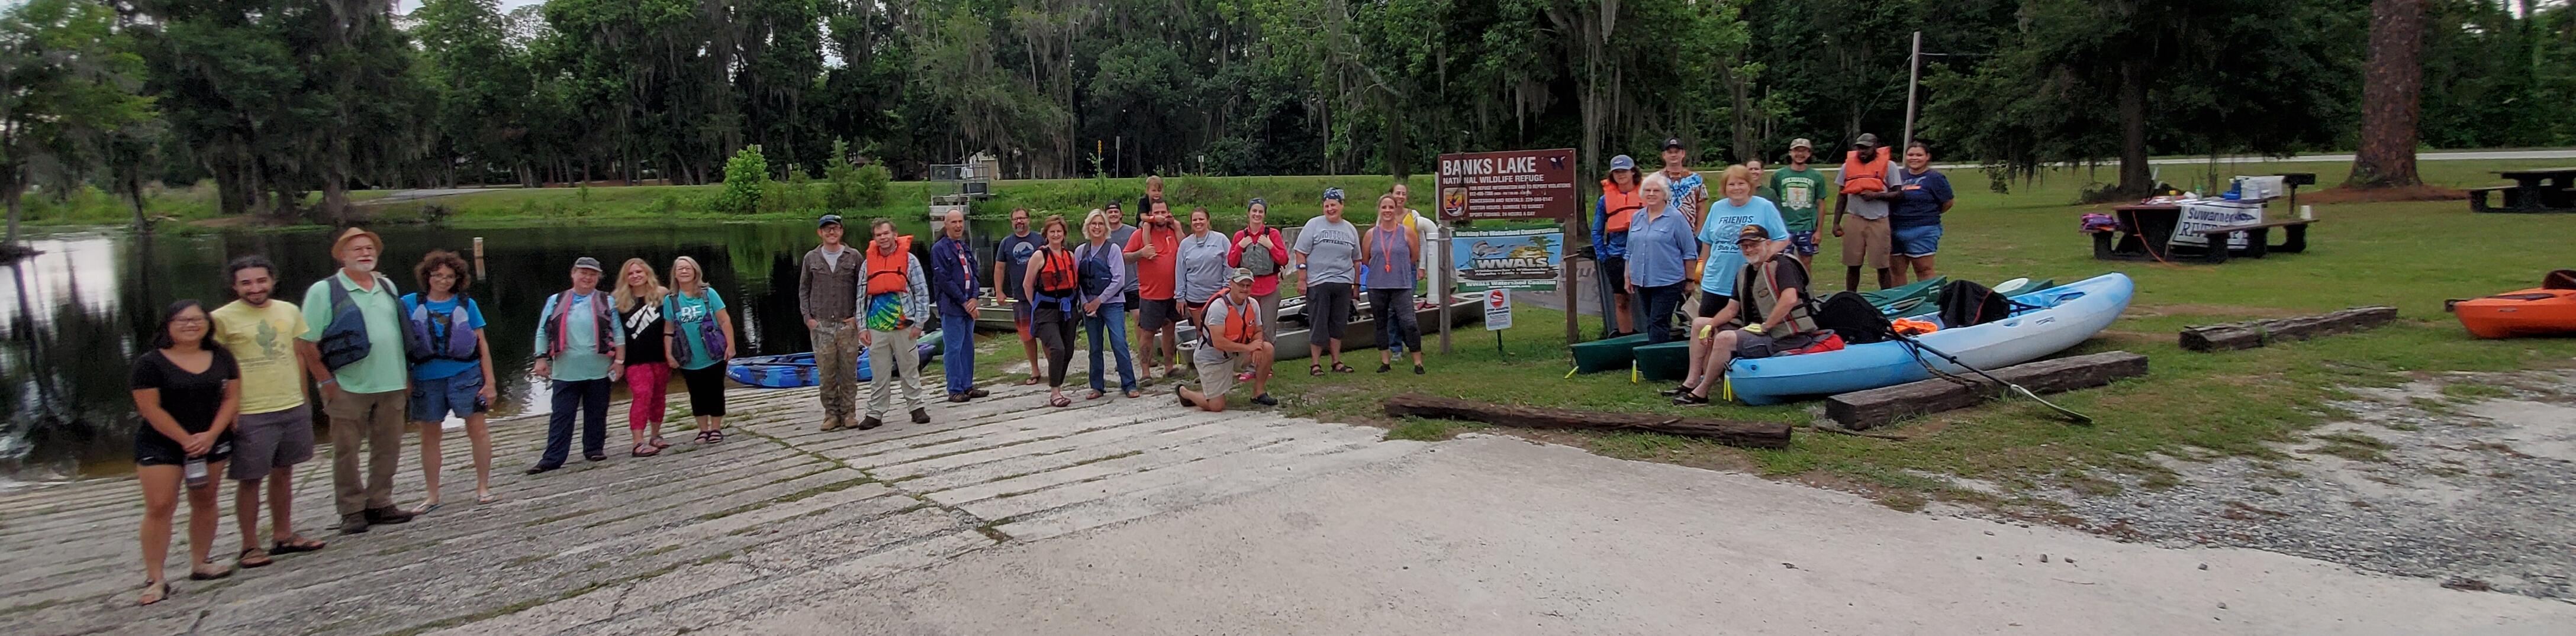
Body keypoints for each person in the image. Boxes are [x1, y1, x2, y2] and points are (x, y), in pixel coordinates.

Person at [208, 257, 327, 571]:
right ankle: (249, 545)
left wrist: (304, 398)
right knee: (250, 478)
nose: (255, 288)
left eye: (261, 281)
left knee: (285, 471)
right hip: (249, 410)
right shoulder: (220, 320)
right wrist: (225, 412)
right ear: (234, 286)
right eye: (246, 283)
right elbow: (213, 369)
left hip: (289, 404)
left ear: (272, 281)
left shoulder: (289, 311)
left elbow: (299, 354)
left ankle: (283, 535)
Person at [295, 227, 414, 534]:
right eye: (357, 249)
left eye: (370, 249)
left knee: (388, 446)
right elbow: (307, 342)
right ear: (342, 256)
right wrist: (325, 381)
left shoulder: (387, 285)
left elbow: (399, 333)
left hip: (391, 382)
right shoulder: (325, 290)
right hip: (347, 385)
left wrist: (406, 376)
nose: (365, 253)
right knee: (346, 450)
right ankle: (351, 509)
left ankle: (380, 502)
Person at [130, 300, 241, 604]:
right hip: (162, 442)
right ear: (167, 325)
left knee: (205, 500)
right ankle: (156, 578)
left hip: (211, 440)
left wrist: (212, 434)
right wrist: (185, 439)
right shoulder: (150, 363)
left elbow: (232, 397)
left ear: (207, 323)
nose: (190, 325)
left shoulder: (221, 356)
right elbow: (149, 408)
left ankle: (201, 563)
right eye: (181, 320)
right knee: (160, 506)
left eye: (196, 319)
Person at [1675, 225, 1821, 405]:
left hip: (1785, 334)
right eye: (1745, 246)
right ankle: (1691, 382)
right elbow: (1731, 310)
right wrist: (1711, 325)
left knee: (1725, 338)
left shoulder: (1783, 265)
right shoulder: (1744, 271)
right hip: (1753, 329)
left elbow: (1789, 299)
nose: (1749, 250)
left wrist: (1766, 326)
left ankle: (1702, 392)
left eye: (1754, 245)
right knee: (1700, 324)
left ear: (1768, 243)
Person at [398, 250, 496, 514]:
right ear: (427, 276)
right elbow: (400, 345)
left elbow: (481, 344)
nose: (443, 281)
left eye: (449, 276)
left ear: (458, 279)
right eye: (437, 275)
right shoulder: (408, 304)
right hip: (425, 378)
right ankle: (432, 495)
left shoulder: (467, 305)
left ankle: (483, 487)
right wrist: (405, 380)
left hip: (466, 376)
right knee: (430, 436)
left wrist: (490, 383)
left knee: (478, 430)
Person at [1679, 166, 1789, 393]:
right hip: (1716, 279)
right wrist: (1702, 266)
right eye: (1731, 184)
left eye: (1741, 183)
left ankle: (1726, 374)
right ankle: (1701, 376)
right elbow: (1708, 240)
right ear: (1724, 188)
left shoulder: (1764, 207)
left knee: (1734, 327)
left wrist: (1761, 260)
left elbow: (1782, 239)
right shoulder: (1718, 208)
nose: (1737, 188)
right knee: (1707, 329)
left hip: (1747, 282)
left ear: (1750, 185)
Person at [528, 257, 626, 473]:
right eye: (583, 273)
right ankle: (553, 457)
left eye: (592, 275)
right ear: (573, 274)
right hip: (566, 369)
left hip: (598, 367)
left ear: (598, 278)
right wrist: (541, 358)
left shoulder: (606, 301)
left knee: (597, 411)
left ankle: (594, 449)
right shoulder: (556, 300)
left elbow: (618, 332)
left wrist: (619, 361)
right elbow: (543, 330)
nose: (587, 278)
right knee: (562, 414)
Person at [857, 218, 931, 430]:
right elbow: (860, 297)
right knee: (879, 373)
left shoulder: (910, 260)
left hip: (904, 324)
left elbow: (922, 292)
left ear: (895, 235)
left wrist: (920, 322)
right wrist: (862, 327)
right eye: (878, 235)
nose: (883, 238)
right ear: (874, 238)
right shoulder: (867, 264)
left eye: (886, 234)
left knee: (909, 368)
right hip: (876, 325)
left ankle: (917, 408)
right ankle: (875, 413)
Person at [798, 214, 864, 432]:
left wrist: (858, 316)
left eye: (835, 229)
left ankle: (849, 413)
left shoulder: (853, 256)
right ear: (820, 233)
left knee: (848, 372)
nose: (831, 233)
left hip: (848, 324)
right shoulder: (811, 258)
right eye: (827, 230)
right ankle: (831, 415)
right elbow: (804, 289)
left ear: (841, 231)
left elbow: (863, 288)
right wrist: (809, 318)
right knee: (826, 373)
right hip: (822, 326)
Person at [1177, 269, 1276, 412]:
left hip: (1236, 353)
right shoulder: (1219, 307)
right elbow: (1219, 342)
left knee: (1267, 348)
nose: (1245, 289)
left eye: (1248, 285)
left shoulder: (1253, 304)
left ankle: (1258, 393)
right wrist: (1249, 348)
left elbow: (1258, 331)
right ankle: (1184, 392)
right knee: (1216, 406)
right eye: (1241, 285)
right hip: (1212, 358)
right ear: (1231, 284)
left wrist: (1257, 347)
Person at [662, 256, 735, 445]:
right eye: (680, 269)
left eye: (688, 268)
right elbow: (669, 329)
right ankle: (703, 430)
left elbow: (724, 320)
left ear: (696, 272)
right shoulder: (671, 300)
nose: (684, 272)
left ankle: (716, 429)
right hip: (688, 356)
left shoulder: (708, 294)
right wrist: (669, 354)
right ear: (675, 274)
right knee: (696, 393)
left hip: (713, 353)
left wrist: (731, 346)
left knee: (716, 391)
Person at [1295, 187, 1364, 375]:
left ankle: (1336, 361)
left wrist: (1356, 286)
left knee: (1338, 323)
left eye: (1334, 205)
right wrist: (1302, 278)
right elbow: (1300, 252)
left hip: (1343, 283)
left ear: (1342, 206)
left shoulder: (1350, 229)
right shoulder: (1313, 225)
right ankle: (1315, 364)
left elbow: (1357, 260)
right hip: (1318, 282)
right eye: (1327, 205)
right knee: (1318, 323)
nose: (1330, 209)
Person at [1022, 214, 1087, 407]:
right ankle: (1055, 393)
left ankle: (1058, 384)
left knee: (1067, 351)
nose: (1056, 235)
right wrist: (1036, 304)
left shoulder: (1070, 256)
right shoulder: (1039, 256)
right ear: (1046, 234)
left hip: (1067, 310)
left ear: (1064, 234)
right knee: (1057, 348)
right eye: (1052, 232)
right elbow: (1027, 284)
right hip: (1045, 311)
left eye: (1059, 231)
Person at [1076, 210, 1141, 399]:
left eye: (1100, 224)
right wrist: (1087, 303)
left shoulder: (1113, 250)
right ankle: (1097, 386)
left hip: (1112, 304)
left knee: (1119, 343)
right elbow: (1077, 281)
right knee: (1095, 347)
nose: (1097, 227)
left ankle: (1129, 384)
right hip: (1089, 305)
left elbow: (1119, 280)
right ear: (1088, 227)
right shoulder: (1081, 251)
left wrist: (1099, 301)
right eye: (1093, 224)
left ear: (1106, 228)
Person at [1624, 174, 1696, 344]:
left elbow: (1690, 252)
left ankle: (1655, 361)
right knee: (1651, 320)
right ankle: (1657, 355)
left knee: (1659, 321)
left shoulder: (1676, 218)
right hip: (1642, 280)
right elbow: (1630, 250)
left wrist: (1690, 280)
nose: (1651, 194)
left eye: (1656, 190)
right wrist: (1628, 275)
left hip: (1668, 281)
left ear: (1665, 194)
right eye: (1648, 190)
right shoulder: (1637, 217)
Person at [1359, 193, 1425, 374]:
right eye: (1384, 207)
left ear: (1396, 209)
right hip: (1377, 285)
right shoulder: (1372, 234)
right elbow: (1366, 259)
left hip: (1401, 284)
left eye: (1391, 207)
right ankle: (1385, 361)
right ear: (1379, 210)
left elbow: (1414, 256)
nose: (1388, 211)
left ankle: (1418, 362)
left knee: (1409, 322)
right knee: (1381, 323)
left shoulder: (1407, 232)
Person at [612, 258, 672, 456]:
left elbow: (672, 324)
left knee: (658, 395)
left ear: (647, 274)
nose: (636, 276)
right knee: (642, 394)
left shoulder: (661, 294)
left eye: (640, 272)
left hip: (659, 356)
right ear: (625, 277)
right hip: (634, 359)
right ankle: (638, 442)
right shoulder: (618, 301)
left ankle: (656, 435)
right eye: (631, 273)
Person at [929, 209, 990, 403]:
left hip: (968, 305)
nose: (958, 226)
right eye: (953, 222)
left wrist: (974, 297)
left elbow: (975, 274)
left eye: (960, 222)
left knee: (968, 346)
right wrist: (964, 302)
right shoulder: (939, 249)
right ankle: (954, 388)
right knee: (953, 348)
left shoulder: (964, 247)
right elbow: (944, 281)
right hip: (952, 306)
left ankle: (968, 385)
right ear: (945, 225)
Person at [1831, 133, 1897, 290]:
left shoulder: (1890, 166)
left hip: (1879, 220)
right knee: (1853, 264)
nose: (1862, 151)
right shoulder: (1848, 166)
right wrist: (1836, 223)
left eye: (1866, 148)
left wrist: (1876, 195)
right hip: (1855, 218)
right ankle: (1851, 297)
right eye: (1860, 148)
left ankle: (1887, 299)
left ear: (1875, 147)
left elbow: (1898, 193)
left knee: (1882, 265)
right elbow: (1842, 196)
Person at [1127, 200, 1184, 380]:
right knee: (1148, 332)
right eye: (1157, 212)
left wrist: (1177, 227)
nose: (1160, 215)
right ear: (1151, 215)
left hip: (1173, 293)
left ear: (1169, 213)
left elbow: (1186, 249)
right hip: (1151, 294)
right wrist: (1141, 253)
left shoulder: (1173, 232)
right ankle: (1146, 372)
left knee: (1170, 329)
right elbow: (1126, 257)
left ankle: (1169, 367)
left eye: (1163, 211)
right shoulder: (1140, 234)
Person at [1226, 198, 1290, 354]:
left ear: (1265, 215)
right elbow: (1231, 262)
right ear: (1248, 213)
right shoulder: (1240, 236)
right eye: (1254, 211)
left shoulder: (1272, 234)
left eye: (1260, 211)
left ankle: (1266, 364)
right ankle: (1250, 363)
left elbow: (1284, 259)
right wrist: (1240, 246)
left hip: (1269, 289)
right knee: (1249, 328)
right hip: (1248, 291)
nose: (1257, 214)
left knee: (1268, 329)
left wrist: (1270, 246)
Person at [992, 207, 1047, 386]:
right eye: (1016, 219)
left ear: (1029, 220)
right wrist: (999, 291)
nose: (1019, 222)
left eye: (1022, 218)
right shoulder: (1006, 243)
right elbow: (1000, 268)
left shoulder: (1040, 240)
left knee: (1047, 334)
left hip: (1042, 296)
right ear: (1012, 222)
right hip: (1020, 298)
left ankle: (1053, 368)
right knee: (1027, 335)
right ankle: (1035, 369)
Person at [1591, 155, 1645, 337]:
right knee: (1622, 301)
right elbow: (1597, 231)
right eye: (1617, 172)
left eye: (1624, 171)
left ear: (1633, 172)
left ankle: (1656, 335)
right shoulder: (1604, 201)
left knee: (1652, 297)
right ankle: (1626, 336)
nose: (1621, 175)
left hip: (1646, 254)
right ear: (1612, 175)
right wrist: (1603, 256)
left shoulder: (1648, 193)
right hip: (1617, 256)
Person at [1888, 141, 1954, 285]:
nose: (1914, 158)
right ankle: (1899, 303)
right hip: (1894, 229)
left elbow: (1948, 202)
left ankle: (1930, 302)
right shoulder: (1898, 175)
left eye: (1919, 155)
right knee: (1896, 271)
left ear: (1927, 157)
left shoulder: (1935, 178)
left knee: (1924, 270)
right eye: (1911, 155)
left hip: (1923, 230)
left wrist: (1928, 215)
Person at [1769, 139, 1831, 267]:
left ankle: (1805, 287)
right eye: (1797, 151)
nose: (1800, 154)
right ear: (1790, 153)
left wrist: (1819, 231)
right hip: (1784, 227)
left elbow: (1821, 203)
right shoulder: (1778, 175)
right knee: (1783, 263)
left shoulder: (1817, 176)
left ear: (1809, 154)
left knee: (1806, 263)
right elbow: (1773, 202)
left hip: (1807, 227)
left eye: (1804, 151)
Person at [1174, 206, 1230, 326]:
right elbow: (1180, 271)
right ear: (1191, 223)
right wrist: (1180, 297)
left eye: (1201, 219)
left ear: (1208, 221)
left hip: (1218, 296)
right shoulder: (1185, 244)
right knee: (1201, 332)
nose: (1198, 222)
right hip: (1195, 297)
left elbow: (1229, 265)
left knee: (1220, 331)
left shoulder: (1221, 239)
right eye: (1195, 220)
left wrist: (1226, 289)